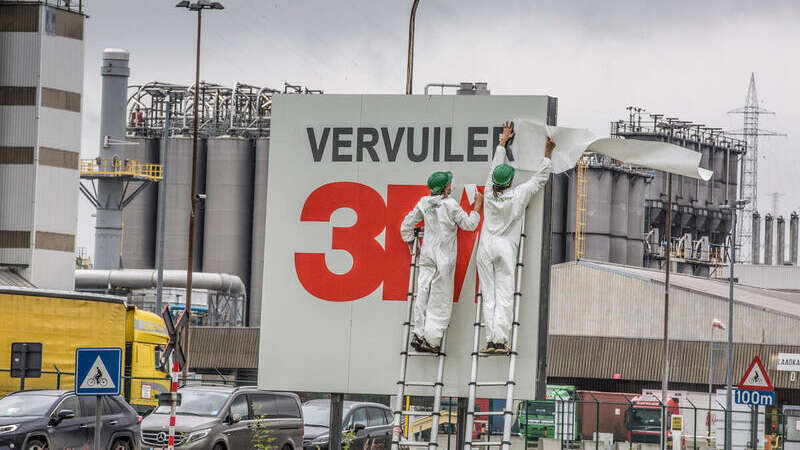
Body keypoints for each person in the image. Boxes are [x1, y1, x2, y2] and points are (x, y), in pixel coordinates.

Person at [477, 121, 555, 354]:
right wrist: (548, 153)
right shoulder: (518, 194)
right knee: (504, 294)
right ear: (510, 181)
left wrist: (502, 142)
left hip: (485, 245)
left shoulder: (489, 192)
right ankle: (500, 340)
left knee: (488, 295)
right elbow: (540, 179)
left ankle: (490, 339)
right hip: (504, 246)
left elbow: (494, 168)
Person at [400, 171, 483, 353]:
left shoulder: (424, 203)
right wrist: (477, 207)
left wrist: (410, 242)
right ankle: (432, 340)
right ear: (445, 188)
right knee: (440, 298)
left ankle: (418, 333)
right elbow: (469, 225)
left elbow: (406, 225)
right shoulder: (450, 205)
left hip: (427, 254)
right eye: (449, 184)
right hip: (444, 257)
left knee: (422, 293)